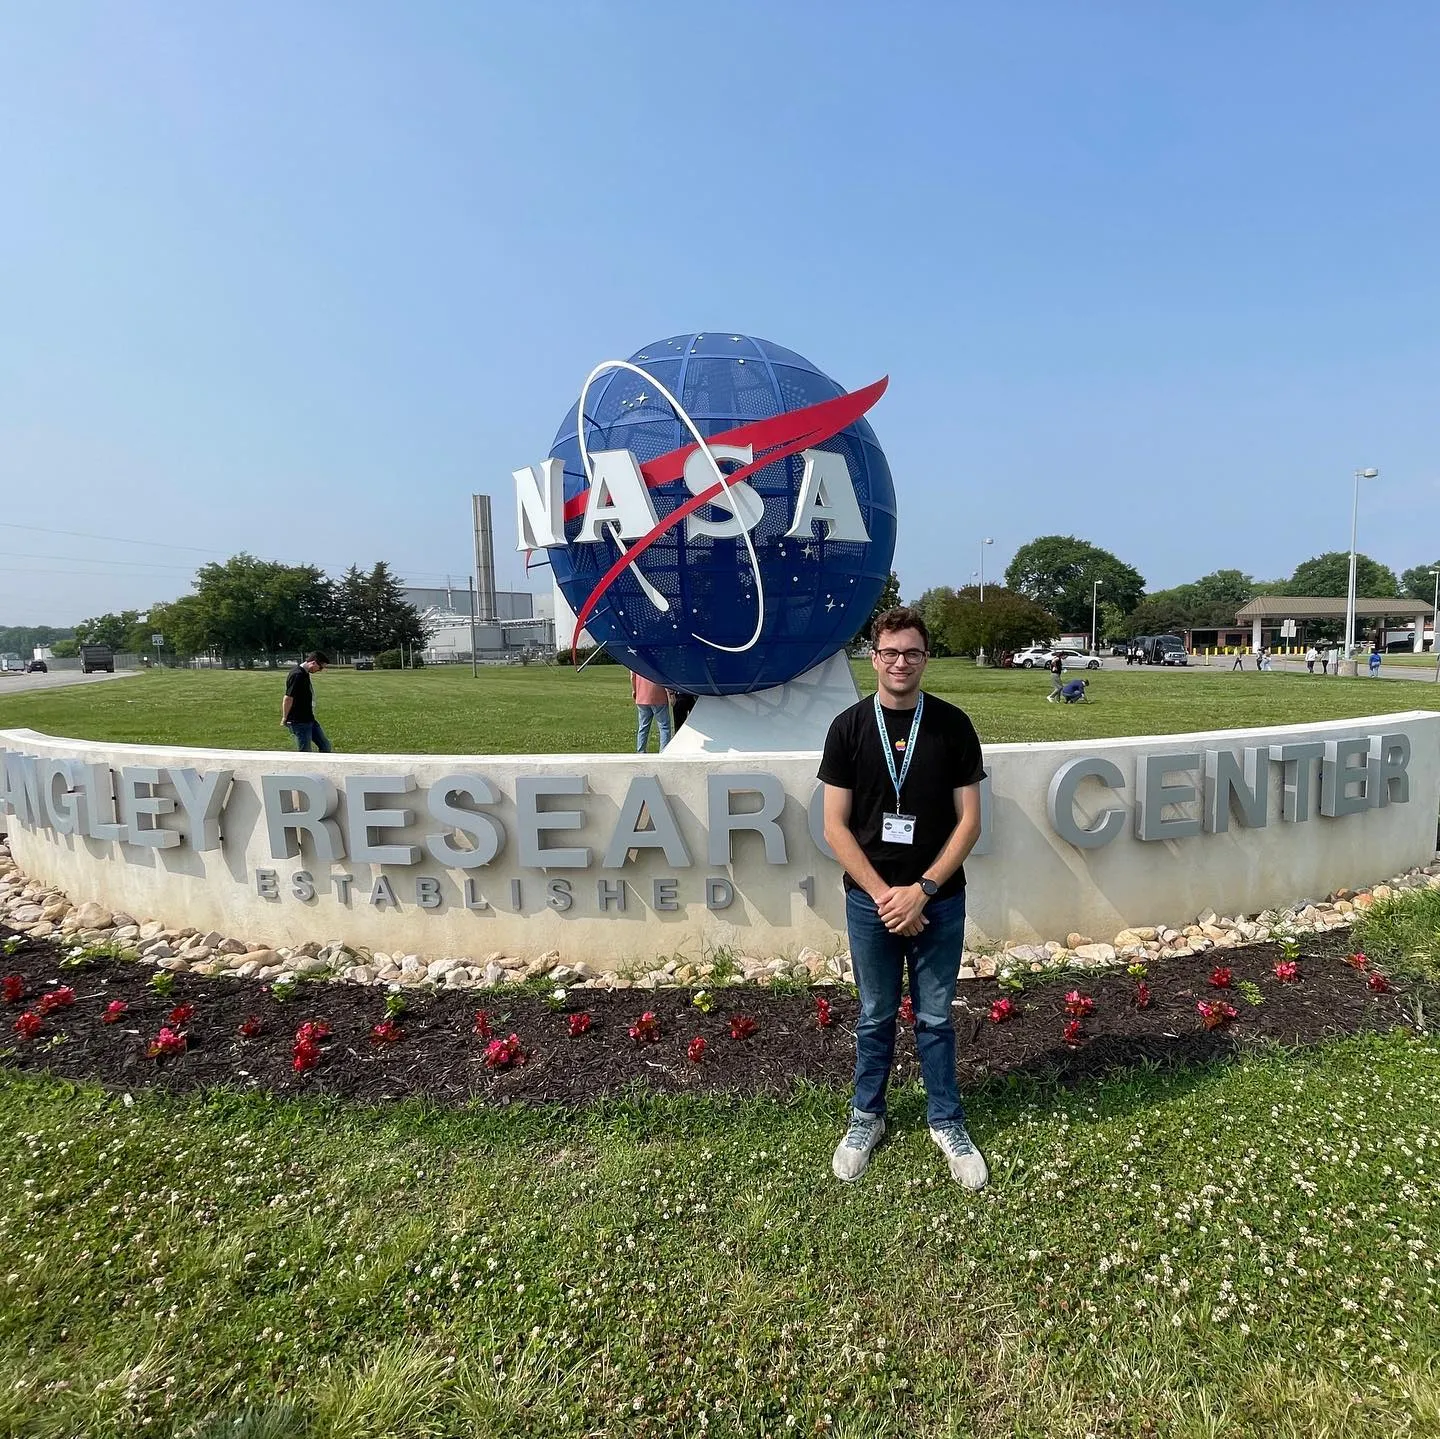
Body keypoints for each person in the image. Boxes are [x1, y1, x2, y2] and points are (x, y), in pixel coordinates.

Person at [819, 607, 988, 1190]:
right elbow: (835, 827)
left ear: (925, 658)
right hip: (871, 902)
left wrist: (922, 891)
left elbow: (970, 823)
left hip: (938, 899)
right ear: (874, 657)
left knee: (937, 1018)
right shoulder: (847, 728)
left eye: (912, 653)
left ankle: (946, 1120)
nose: (900, 663)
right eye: (890, 653)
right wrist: (886, 896)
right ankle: (867, 1117)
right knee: (874, 1016)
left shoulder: (952, 725)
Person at [282, 652, 331, 752]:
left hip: (309, 718)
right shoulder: (297, 675)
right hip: (299, 721)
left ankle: (323, 767)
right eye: (320, 667)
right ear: (313, 663)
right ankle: (305, 768)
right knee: (305, 752)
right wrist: (284, 718)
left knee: (325, 746)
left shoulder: (304, 673)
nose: (320, 670)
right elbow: (288, 698)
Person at [631, 670, 672, 752]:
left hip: (642, 696)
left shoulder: (636, 659)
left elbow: (632, 676)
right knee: (664, 727)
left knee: (643, 727)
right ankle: (663, 751)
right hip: (659, 696)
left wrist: (634, 690)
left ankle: (641, 751)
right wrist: (670, 692)